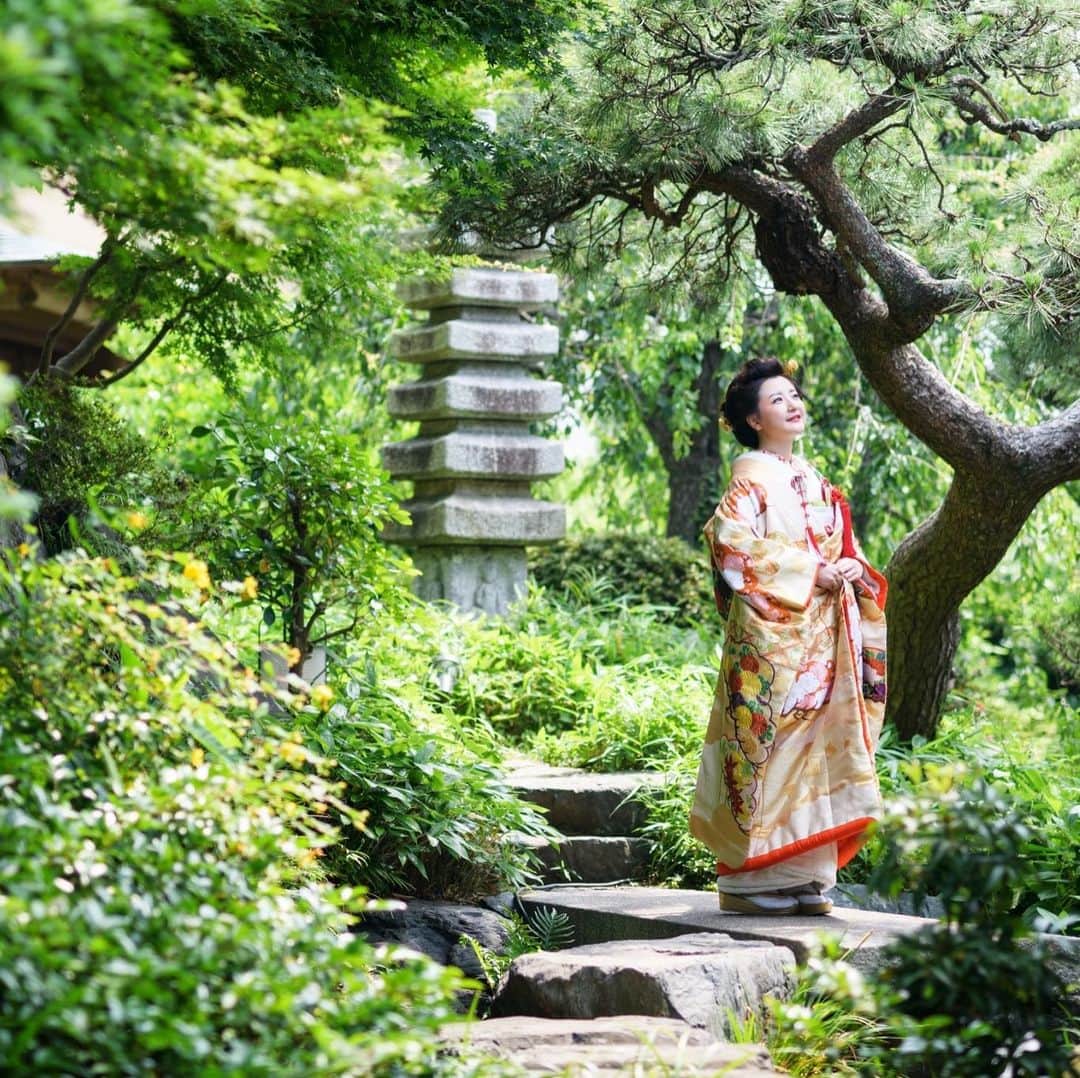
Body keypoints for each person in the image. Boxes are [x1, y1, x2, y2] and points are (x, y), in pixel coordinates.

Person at [690, 357, 888, 916]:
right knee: (769, 746)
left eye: (794, 395)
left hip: (825, 636)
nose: (793, 404)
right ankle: (747, 883)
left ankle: (805, 876)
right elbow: (731, 546)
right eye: (778, 400)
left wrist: (849, 567)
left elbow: (839, 548)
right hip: (774, 643)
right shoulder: (749, 480)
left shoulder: (814, 480)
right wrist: (809, 574)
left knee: (820, 748)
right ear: (754, 420)